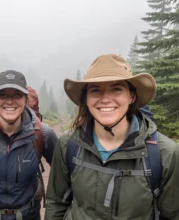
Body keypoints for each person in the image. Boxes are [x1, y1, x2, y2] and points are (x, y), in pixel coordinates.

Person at [45, 54, 179, 220]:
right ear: (86, 98)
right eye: (95, 90)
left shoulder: (164, 153)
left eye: (116, 89)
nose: (105, 99)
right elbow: (56, 203)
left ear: (132, 96)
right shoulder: (68, 145)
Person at [0, 70, 58, 220]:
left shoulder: (43, 134)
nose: (9, 101)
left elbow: (62, 178)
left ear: (26, 100)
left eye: (17, 94)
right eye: (2, 95)